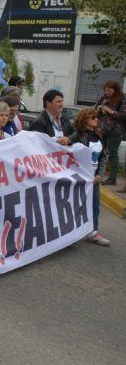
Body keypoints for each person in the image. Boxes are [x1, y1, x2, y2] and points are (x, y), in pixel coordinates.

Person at [70, 108, 110, 245]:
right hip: (81, 179)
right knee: (76, 206)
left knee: (95, 206)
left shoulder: (98, 135)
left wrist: (100, 174)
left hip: (94, 179)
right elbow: (68, 144)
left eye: (96, 118)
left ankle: (93, 232)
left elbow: (103, 157)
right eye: (92, 118)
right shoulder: (78, 134)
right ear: (84, 119)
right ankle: (69, 235)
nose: (96, 119)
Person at [94, 80, 126, 185]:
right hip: (102, 130)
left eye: (109, 90)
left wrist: (110, 111)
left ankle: (112, 178)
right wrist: (98, 110)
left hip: (115, 131)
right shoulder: (103, 98)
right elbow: (94, 111)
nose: (107, 92)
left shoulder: (122, 99)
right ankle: (98, 173)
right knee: (100, 152)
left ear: (115, 90)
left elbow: (123, 115)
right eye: (105, 90)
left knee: (112, 154)